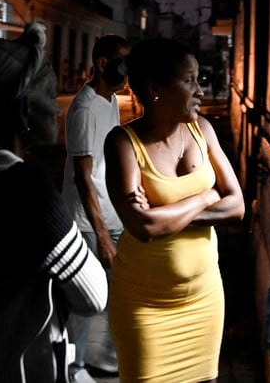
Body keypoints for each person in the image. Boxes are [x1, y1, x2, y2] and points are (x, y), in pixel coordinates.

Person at [0, 22, 108, 383]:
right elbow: (93, 297)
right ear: (23, 109)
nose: (58, 110)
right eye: (50, 96)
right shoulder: (26, 188)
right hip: (14, 368)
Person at [103, 37, 245, 382]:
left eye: (198, 80)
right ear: (155, 88)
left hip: (205, 298)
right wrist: (206, 197)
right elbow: (143, 227)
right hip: (145, 306)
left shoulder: (202, 131)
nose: (200, 91)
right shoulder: (123, 143)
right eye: (189, 80)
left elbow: (237, 206)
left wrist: (167, 214)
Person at [61, 34, 130, 383]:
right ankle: (73, 367)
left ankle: (110, 358)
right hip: (88, 223)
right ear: (103, 64)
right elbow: (84, 177)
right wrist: (102, 235)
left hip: (111, 216)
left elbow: (108, 162)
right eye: (123, 62)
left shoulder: (111, 99)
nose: (127, 70)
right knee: (85, 301)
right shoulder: (85, 108)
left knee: (123, 291)